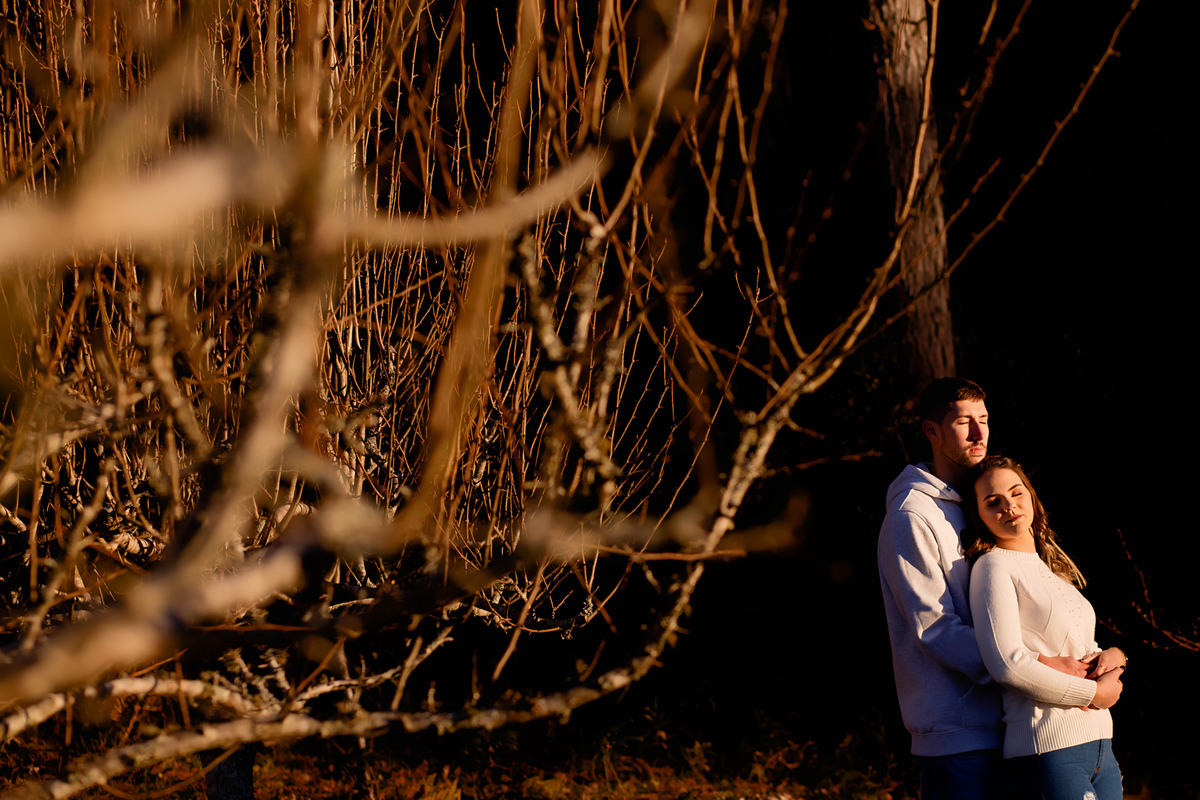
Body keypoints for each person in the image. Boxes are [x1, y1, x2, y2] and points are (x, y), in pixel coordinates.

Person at [967, 455, 1125, 799]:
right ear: (979, 514)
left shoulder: (1052, 569)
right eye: (993, 502)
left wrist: (1115, 657)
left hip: (1101, 743)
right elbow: (1006, 664)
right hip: (1049, 747)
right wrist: (1092, 694)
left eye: (1016, 493)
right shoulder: (993, 567)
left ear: (1032, 496)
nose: (1009, 506)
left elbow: (1076, 645)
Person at [877, 377, 1004, 799]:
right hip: (957, 736)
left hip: (1014, 722)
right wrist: (1019, 669)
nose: (979, 433)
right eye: (964, 422)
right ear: (931, 430)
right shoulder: (911, 514)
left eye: (984, 419)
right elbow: (934, 627)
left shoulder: (988, 501)